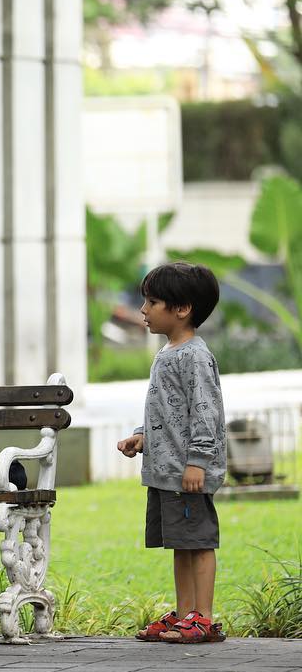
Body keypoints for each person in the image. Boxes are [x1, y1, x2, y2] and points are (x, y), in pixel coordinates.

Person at [117, 262, 227, 644]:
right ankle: (185, 615)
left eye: (153, 302)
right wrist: (143, 436)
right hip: (168, 470)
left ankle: (205, 618)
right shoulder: (168, 352)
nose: (143, 310)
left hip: (187, 472)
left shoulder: (194, 356)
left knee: (198, 543)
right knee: (181, 544)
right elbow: (169, 410)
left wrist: (197, 460)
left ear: (182, 309)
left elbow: (204, 411)